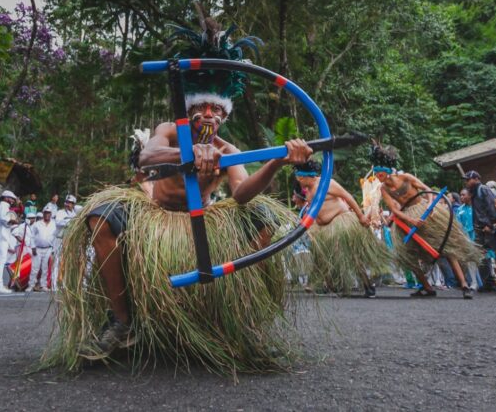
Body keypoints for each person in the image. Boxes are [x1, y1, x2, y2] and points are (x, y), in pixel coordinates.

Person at [46, 19, 309, 374]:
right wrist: (189, 153)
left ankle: (242, 322)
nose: (209, 115)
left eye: (216, 110)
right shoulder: (170, 131)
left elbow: (242, 194)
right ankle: (122, 323)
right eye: (202, 108)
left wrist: (277, 162)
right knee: (102, 216)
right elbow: (147, 156)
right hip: (155, 216)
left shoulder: (227, 150)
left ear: (224, 115)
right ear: (190, 110)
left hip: (204, 221)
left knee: (262, 218)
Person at [373, 145, 480, 299]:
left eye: (380, 172)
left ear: (387, 170)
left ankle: (464, 285)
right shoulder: (384, 189)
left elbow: (427, 189)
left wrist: (430, 206)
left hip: (424, 209)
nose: (378, 176)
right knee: (407, 255)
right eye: (376, 173)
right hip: (407, 217)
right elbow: (394, 210)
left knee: (447, 247)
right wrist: (411, 219)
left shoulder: (406, 178)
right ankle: (426, 286)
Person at [294, 160, 390, 298]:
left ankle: (367, 285)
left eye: (299, 179)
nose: (299, 182)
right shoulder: (308, 190)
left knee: (353, 255)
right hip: (325, 228)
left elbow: (348, 197)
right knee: (328, 256)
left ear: (304, 177)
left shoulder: (327, 183)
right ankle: (334, 285)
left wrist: (361, 216)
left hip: (341, 222)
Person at [465, 171, 496, 292]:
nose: (467, 182)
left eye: (468, 179)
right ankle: (489, 283)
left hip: (488, 228)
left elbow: (491, 207)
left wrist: (491, 225)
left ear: (476, 178)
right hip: (479, 229)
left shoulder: (483, 189)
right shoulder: (474, 192)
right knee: (481, 256)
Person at [456, 188, 482, 291]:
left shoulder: (477, 207)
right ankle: (474, 282)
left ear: (470, 195)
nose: (461, 197)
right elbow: (458, 224)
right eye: (460, 195)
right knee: (470, 260)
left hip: (478, 235)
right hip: (466, 236)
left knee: (484, 259)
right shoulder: (460, 209)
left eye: (464, 195)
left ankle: (487, 281)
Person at [27, 207, 56, 292]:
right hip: (38, 248)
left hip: (48, 248)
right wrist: (33, 247)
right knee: (35, 268)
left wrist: (54, 249)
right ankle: (31, 285)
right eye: (45, 213)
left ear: (51, 214)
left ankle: (43, 285)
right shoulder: (37, 224)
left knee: (45, 268)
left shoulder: (54, 224)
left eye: (48, 213)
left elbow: (56, 237)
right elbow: (32, 236)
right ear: (43, 214)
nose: (47, 214)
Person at [52, 194, 77, 288]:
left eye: (70, 203)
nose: (67, 204)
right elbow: (58, 222)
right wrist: (71, 222)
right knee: (57, 262)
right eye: (67, 202)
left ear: (73, 204)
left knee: (67, 262)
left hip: (70, 240)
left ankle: (65, 284)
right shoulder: (60, 212)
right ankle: (54, 284)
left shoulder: (75, 214)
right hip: (60, 239)